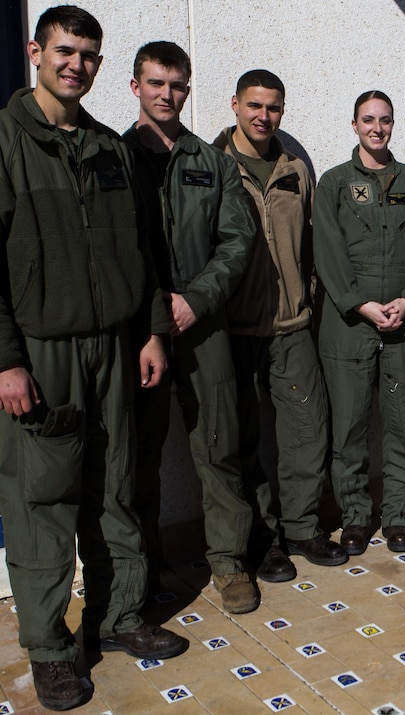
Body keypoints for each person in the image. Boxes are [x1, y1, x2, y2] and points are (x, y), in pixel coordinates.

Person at [0, 7, 188, 711]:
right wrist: (2, 361)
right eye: (64, 50)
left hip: (113, 347)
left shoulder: (110, 149)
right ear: (35, 52)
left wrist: (149, 332)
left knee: (114, 489)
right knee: (42, 501)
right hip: (40, 356)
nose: (75, 63)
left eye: (87, 54)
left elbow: (143, 251)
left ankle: (118, 616)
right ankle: (51, 648)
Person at [124, 42, 260, 612]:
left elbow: (238, 240)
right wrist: (155, 311)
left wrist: (196, 300)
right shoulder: (113, 157)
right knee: (135, 459)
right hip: (137, 334)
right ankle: (143, 571)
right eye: (156, 83)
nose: (167, 94)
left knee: (219, 448)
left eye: (177, 84)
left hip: (202, 330)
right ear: (136, 86)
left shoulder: (212, 162)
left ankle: (228, 564)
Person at [214, 69, 347, 581]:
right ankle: (263, 539)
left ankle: (302, 527)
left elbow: (313, 241)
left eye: (272, 108)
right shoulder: (213, 163)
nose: (263, 116)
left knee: (306, 433)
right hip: (234, 330)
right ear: (235, 105)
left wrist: (310, 298)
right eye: (254, 106)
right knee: (243, 441)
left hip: (291, 325)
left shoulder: (295, 166)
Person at [313, 91, 405, 554]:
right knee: (348, 425)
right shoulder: (334, 183)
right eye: (368, 120)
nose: (377, 128)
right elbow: (326, 252)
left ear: (393, 125)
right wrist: (361, 304)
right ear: (354, 125)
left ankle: (400, 514)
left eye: (385, 120)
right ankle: (354, 516)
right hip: (349, 322)